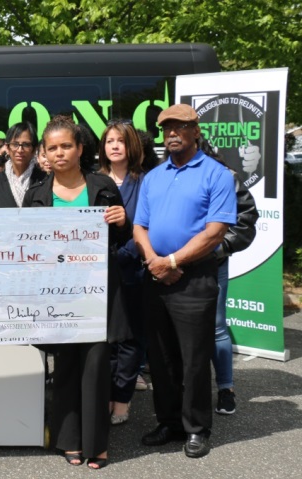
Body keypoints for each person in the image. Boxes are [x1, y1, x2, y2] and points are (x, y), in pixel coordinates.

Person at [23, 115, 129, 470]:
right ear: (44, 152)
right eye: (52, 148)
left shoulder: (102, 185)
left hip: (97, 293)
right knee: (66, 366)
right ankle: (69, 439)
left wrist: (122, 221)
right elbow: (27, 246)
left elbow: (121, 239)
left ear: (80, 148)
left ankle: (97, 444)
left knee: (96, 367)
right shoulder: (36, 194)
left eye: (66, 146)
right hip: (57, 294)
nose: (60, 153)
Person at [134, 104, 236, 459]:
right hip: (155, 275)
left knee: (194, 359)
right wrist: (155, 262)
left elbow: (215, 233)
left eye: (180, 127)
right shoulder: (154, 176)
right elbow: (139, 226)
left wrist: (173, 261)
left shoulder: (217, 174)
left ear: (196, 131)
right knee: (161, 358)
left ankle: (196, 428)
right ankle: (169, 423)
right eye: (167, 128)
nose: (172, 134)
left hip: (194, 277)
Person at [198, 140, 258, 415]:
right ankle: (187, 389)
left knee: (216, 327)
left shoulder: (224, 175)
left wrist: (219, 248)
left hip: (213, 263)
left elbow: (245, 217)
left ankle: (225, 388)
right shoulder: (167, 175)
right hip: (177, 263)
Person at [97, 120, 148, 425]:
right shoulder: (93, 180)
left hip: (131, 269)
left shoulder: (145, 181)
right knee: (105, 341)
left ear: (132, 146)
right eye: (109, 141)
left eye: (121, 140)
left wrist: (124, 255)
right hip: (97, 272)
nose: (115, 146)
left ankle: (122, 400)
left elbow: (147, 226)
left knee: (130, 339)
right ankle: (105, 394)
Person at [0, 122, 46, 207]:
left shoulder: (45, 181)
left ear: (34, 149)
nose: (20, 150)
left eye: (26, 145)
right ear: (7, 148)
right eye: (15, 144)